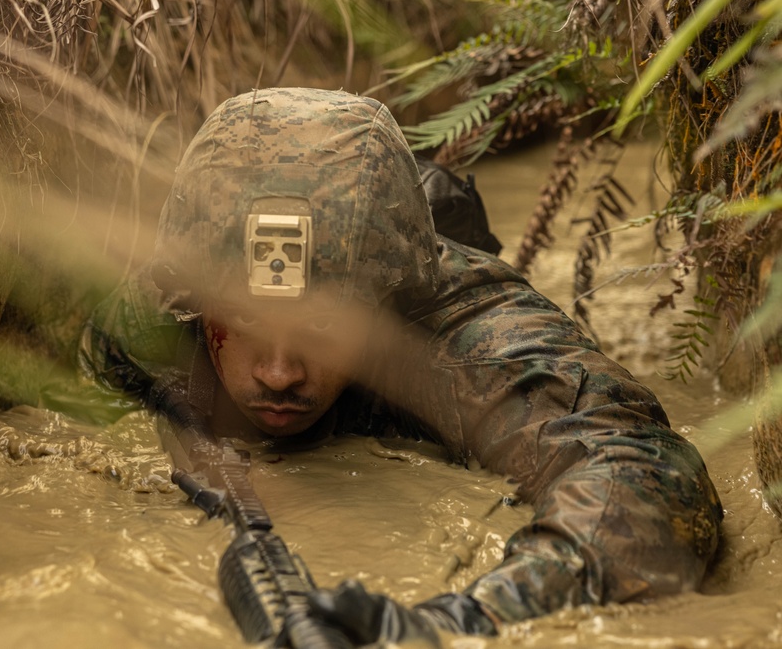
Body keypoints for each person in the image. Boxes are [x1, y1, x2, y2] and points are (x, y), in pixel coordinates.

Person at [77, 87, 722, 645]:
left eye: (322, 328)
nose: (278, 372)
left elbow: (646, 472)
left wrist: (466, 619)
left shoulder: (454, 330)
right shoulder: (158, 310)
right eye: (244, 322)